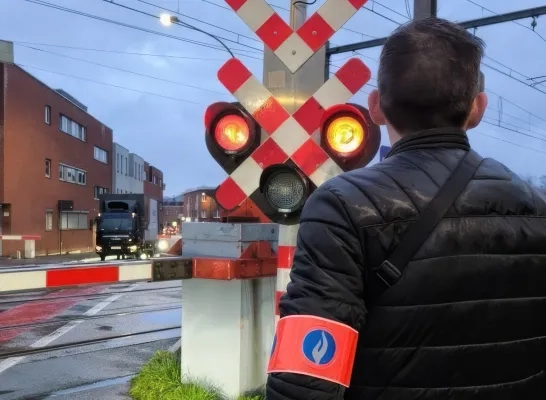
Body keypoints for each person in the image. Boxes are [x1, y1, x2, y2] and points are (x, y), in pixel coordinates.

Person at [266, 17, 546, 400]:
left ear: (375, 107)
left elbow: (304, 381)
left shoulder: (341, 207)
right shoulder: (536, 207)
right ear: (476, 109)